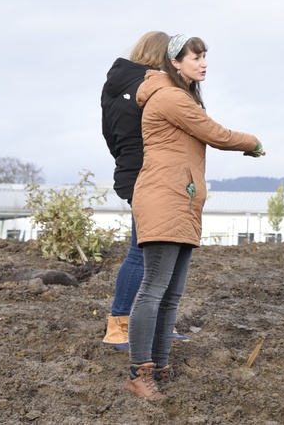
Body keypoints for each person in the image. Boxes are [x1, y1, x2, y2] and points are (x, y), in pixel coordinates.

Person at [124, 34, 264, 400]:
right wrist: (252, 142)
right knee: (154, 288)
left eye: (205, 57)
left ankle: (160, 364)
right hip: (163, 199)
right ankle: (139, 372)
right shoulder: (169, 97)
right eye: (195, 57)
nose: (203, 63)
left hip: (181, 201)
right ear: (175, 62)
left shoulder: (182, 96)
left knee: (171, 294)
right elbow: (214, 133)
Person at [100, 31, 169, 350]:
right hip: (148, 174)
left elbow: (109, 135)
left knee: (150, 254)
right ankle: (119, 328)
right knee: (141, 254)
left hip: (131, 170)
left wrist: (126, 162)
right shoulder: (151, 86)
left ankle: (144, 328)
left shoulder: (114, 86)